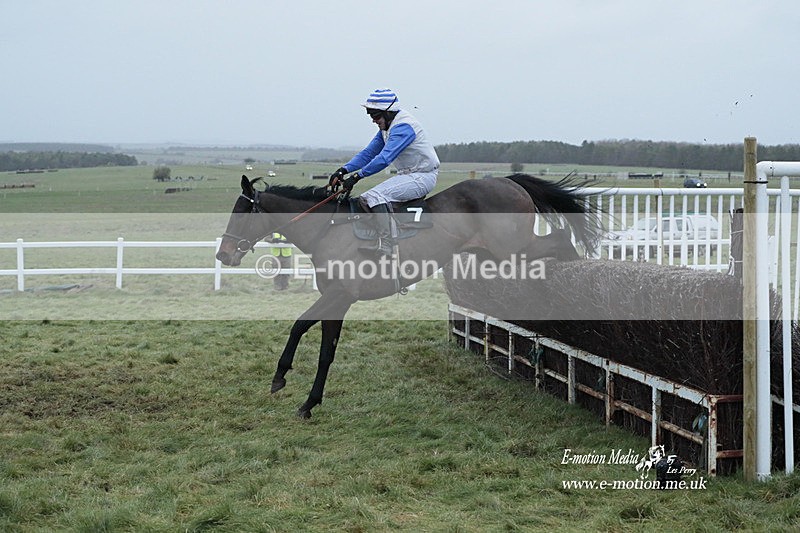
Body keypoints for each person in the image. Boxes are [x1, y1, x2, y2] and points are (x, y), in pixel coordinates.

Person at [329, 88, 440, 256]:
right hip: (408, 175)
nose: (373, 120)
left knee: (373, 197)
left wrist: (357, 176)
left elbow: (384, 159)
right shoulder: (387, 127)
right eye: (371, 116)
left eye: (375, 116)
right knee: (368, 198)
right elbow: (368, 153)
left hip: (422, 177)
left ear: (388, 113)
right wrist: (343, 170)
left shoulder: (403, 126)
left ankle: (388, 244)